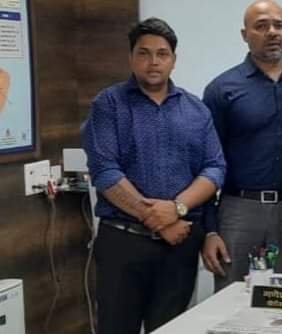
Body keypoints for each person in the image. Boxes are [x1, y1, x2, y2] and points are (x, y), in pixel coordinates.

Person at [82, 17, 226, 333]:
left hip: (180, 245)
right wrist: (160, 221)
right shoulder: (108, 104)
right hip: (123, 242)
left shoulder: (196, 109)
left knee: (171, 329)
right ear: (131, 58)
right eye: (144, 53)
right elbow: (105, 171)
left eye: (162, 54)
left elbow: (215, 168)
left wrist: (176, 209)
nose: (153, 62)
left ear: (174, 59)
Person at [201, 0, 282, 290]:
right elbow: (206, 164)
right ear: (245, 34)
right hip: (239, 210)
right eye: (261, 26)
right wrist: (209, 230)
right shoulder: (222, 88)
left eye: (279, 25)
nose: (272, 32)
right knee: (232, 300)